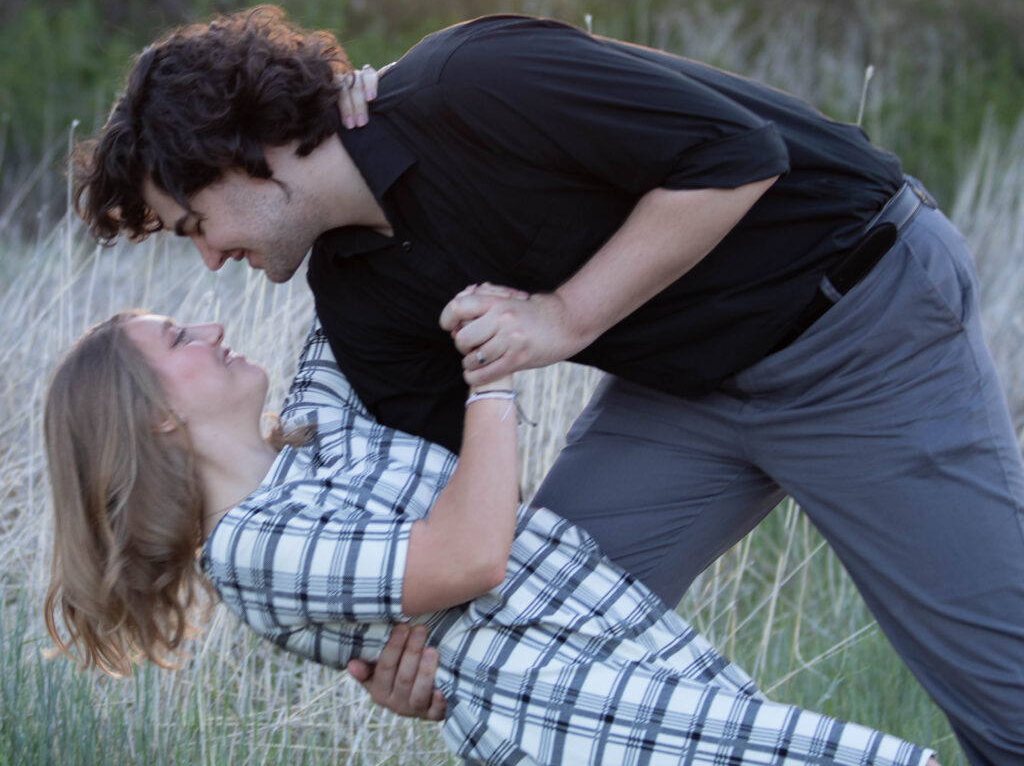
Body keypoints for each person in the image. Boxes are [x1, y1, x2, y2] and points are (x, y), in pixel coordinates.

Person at [72, 7, 1024, 765]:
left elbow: (740, 158)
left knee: (1006, 701)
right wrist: (420, 666)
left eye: (193, 223)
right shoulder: (356, 299)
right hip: (683, 393)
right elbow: (462, 522)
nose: (207, 261)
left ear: (240, 147)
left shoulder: (472, 80)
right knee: (504, 633)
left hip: (856, 319)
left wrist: (563, 317)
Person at [43, 307, 941, 766]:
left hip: (625, 663)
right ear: (157, 416)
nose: (213, 327)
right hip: (575, 725)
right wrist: (494, 380)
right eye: (180, 338)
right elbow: (472, 555)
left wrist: (361, 105)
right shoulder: (250, 551)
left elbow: (346, 288)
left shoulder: (318, 435)